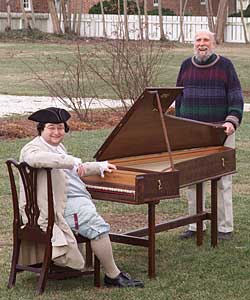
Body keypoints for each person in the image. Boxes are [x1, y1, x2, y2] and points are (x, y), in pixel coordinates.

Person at [19, 107, 144, 288]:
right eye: (51, 128)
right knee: (98, 228)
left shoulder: (57, 147)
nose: (56, 132)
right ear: (41, 129)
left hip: (69, 200)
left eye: (60, 128)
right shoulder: (32, 148)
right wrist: (71, 160)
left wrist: (98, 166)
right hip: (56, 207)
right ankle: (113, 275)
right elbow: (36, 159)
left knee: (93, 220)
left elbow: (74, 168)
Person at [175, 30, 244, 241]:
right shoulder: (186, 65)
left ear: (213, 44)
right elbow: (178, 95)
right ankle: (196, 225)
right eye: (198, 40)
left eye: (206, 40)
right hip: (192, 133)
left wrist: (231, 121)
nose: (202, 44)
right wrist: (179, 124)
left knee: (222, 180)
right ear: (193, 44)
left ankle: (225, 227)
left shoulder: (226, 66)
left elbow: (236, 97)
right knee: (193, 179)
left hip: (220, 132)